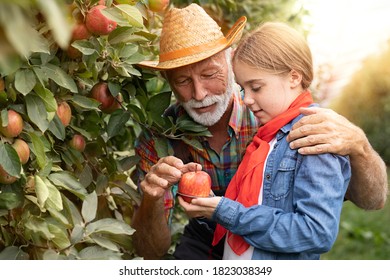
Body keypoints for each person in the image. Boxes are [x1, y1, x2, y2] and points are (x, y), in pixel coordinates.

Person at [132, 4, 388, 260]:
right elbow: (150, 252)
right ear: (169, 83)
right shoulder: (160, 138)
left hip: (265, 237)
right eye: (183, 81)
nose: (199, 93)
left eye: (210, 74)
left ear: (229, 60)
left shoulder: (275, 116)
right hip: (205, 237)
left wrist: (360, 147)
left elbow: (370, 203)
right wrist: (151, 199)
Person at [179, 21, 351, 260]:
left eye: (256, 88)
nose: (247, 100)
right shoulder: (268, 135)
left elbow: (316, 232)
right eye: (243, 89)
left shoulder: (313, 136)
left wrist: (227, 212)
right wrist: (211, 204)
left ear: (294, 77)